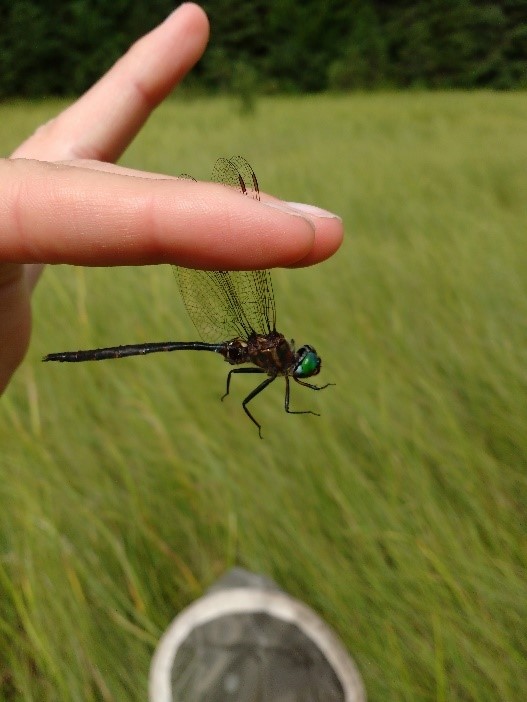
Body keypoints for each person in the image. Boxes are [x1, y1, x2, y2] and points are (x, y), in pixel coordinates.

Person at [0, 2, 343, 396]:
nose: (303, 363)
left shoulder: (273, 362)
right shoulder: (272, 354)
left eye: (304, 363)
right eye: (304, 363)